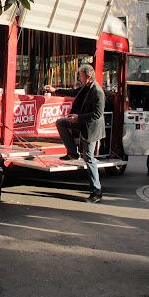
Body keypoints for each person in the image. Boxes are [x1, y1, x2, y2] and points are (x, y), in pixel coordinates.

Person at [45, 64, 105, 203]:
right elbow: (73, 92)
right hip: (81, 122)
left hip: (91, 128)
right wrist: (55, 90)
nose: (79, 78)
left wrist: (78, 118)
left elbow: (97, 114)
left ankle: (97, 191)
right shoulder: (85, 88)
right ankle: (72, 152)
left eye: (81, 76)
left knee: (89, 159)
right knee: (61, 123)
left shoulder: (97, 91)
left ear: (88, 77)